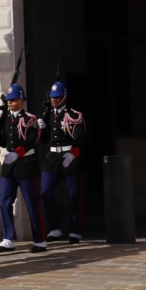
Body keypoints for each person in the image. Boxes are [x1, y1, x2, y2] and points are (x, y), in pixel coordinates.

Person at [0, 84, 48, 253]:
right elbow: (5, 142)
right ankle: (8, 238)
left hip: (26, 162)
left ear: (21, 100)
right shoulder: (6, 119)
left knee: (31, 203)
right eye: (8, 100)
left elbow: (31, 138)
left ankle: (40, 240)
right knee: (4, 201)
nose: (10, 103)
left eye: (14, 100)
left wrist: (19, 152)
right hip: (10, 163)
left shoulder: (30, 119)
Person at [37, 81, 87, 244]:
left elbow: (79, 136)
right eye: (52, 97)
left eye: (57, 97)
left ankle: (75, 230)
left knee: (73, 195)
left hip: (68, 157)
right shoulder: (47, 115)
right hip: (52, 159)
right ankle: (55, 229)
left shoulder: (74, 115)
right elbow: (44, 141)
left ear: (65, 97)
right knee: (45, 192)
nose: (54, 100)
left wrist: (73, 153)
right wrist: (42, 129)